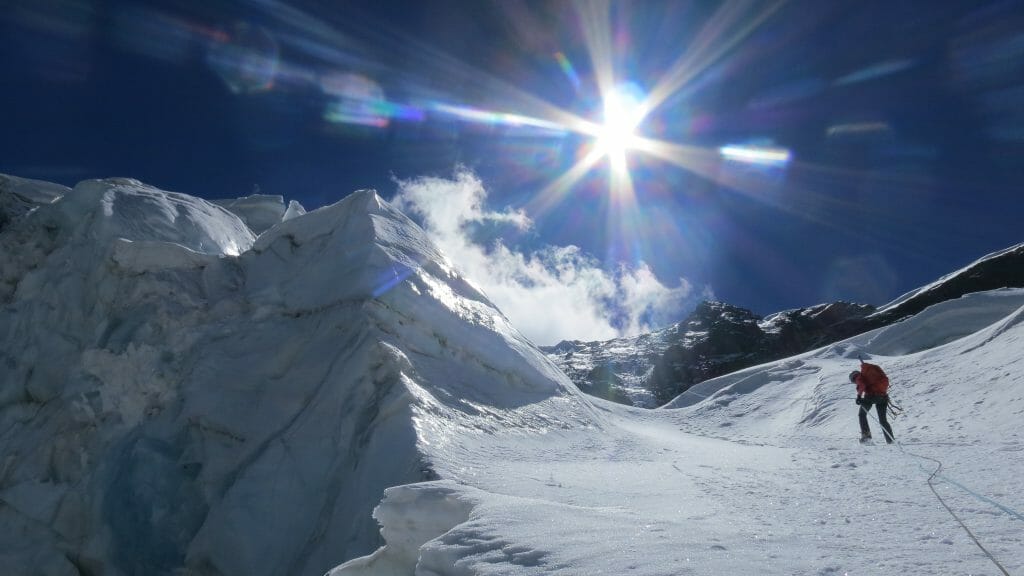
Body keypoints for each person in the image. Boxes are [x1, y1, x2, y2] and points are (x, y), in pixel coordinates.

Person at [849, 363, 895, 443]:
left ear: (853, 378)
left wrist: (859, 396)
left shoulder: (858, 377)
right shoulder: (869, 375)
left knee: (862, 414)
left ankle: (866, 436)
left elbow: (862, 385)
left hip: (871, 397)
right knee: (883, 420)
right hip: (883, 397)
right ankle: (890, 440)